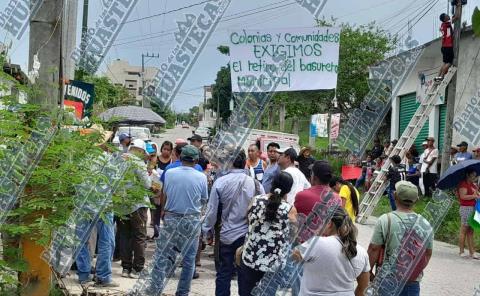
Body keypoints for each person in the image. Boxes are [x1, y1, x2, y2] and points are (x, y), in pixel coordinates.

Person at [147, 145, 209, 295]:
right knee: (189, 260)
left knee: (162, 255)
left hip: (171, 217)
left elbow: (165, 193)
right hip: (191, 220)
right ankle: (182, 292)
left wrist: (163, 211)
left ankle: (155, 289)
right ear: (195, 160)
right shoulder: (201, 176)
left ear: (180, 158)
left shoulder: (170, 173)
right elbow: (203, 200)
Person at [202, 150, 264, 296]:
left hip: (226, 235)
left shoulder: (220, 182)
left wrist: (206, 230)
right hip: (247, 238)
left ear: (229, 163)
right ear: (244, 164)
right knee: (245, 275)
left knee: (224, 272)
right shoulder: (255, 185)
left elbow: (211, 212)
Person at [368, 181, 433, 296]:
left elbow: (374, 248)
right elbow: (427, 253)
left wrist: (368, 271)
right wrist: (413, 274)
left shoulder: (385, 220)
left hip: (386, 279)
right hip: (412, 283)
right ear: (416, 200)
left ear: (395, 196)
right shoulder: (425, 223)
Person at [240, 172, 297, 295]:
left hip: (250, 259)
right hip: (273, 266)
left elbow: (248, 221)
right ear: (288, 190)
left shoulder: (255, 200)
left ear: (272, 184)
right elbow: (292, 236)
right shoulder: (290, 210)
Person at [292, 208, 370, 296]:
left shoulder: (317, 243)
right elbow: (363, 287)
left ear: (329, 223)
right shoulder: (362, 252)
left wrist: (316, 234)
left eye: (322, 222)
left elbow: (294, 256)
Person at [118, 139, 152, 279]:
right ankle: (137, 269)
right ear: (140, 150)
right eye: (143, 153)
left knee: (125, 236)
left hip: (121, 204)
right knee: (139, 237)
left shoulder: (119, 160)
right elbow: (147, 184)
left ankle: (126, 268)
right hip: (137, 205)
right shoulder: (138, 162)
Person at [435, 0, 462, 82]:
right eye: (446, 15)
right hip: (448, 47)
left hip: (443, 47)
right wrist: (459, 5)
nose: (448, 15)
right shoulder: (447, 23)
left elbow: (447, 32)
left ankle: (438, 77)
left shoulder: (443, 25)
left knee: (444, 63)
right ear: (445, 18)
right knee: (449, 63)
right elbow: (457, 17)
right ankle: (441, 77)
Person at [456, 169, 479, 259]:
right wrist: (474, 196)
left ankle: (472, 252)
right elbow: (463, 196)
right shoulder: (463, 184)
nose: (475, 177)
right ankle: (461, 251)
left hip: (473, 208)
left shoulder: (473, 185)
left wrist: (477, 194)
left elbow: (476, 195)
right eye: (473, 175)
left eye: (475, 175)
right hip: (466, 208)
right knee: (464, 230)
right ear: (468, 175)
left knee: (471, 231)